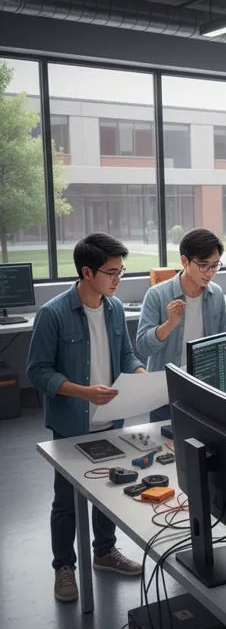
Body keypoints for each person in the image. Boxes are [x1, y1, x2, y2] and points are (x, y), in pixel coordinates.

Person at [27, 233, 148, 603]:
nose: (118, 279)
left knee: (110, 492)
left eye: (121, 271)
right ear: (86, 271)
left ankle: (104, 551)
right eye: (111, 272)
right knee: (66, 500)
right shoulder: (53, 314)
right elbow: (38, 371)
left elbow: (126, 355)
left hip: (111, 419)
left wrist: (139, 373)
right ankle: (64, 566)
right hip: (71, 423)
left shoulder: (113, 308)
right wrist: (84, 392)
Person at [136, 228, 226, 421]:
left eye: (215, 266)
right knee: (165, 449)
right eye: (203, 265)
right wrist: (170, 324)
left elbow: (223, 342)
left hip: (204, 391)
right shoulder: (157, 295)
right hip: (165, 394)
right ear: (185, 261)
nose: (210, 273)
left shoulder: (216, 294)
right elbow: (143, 347)